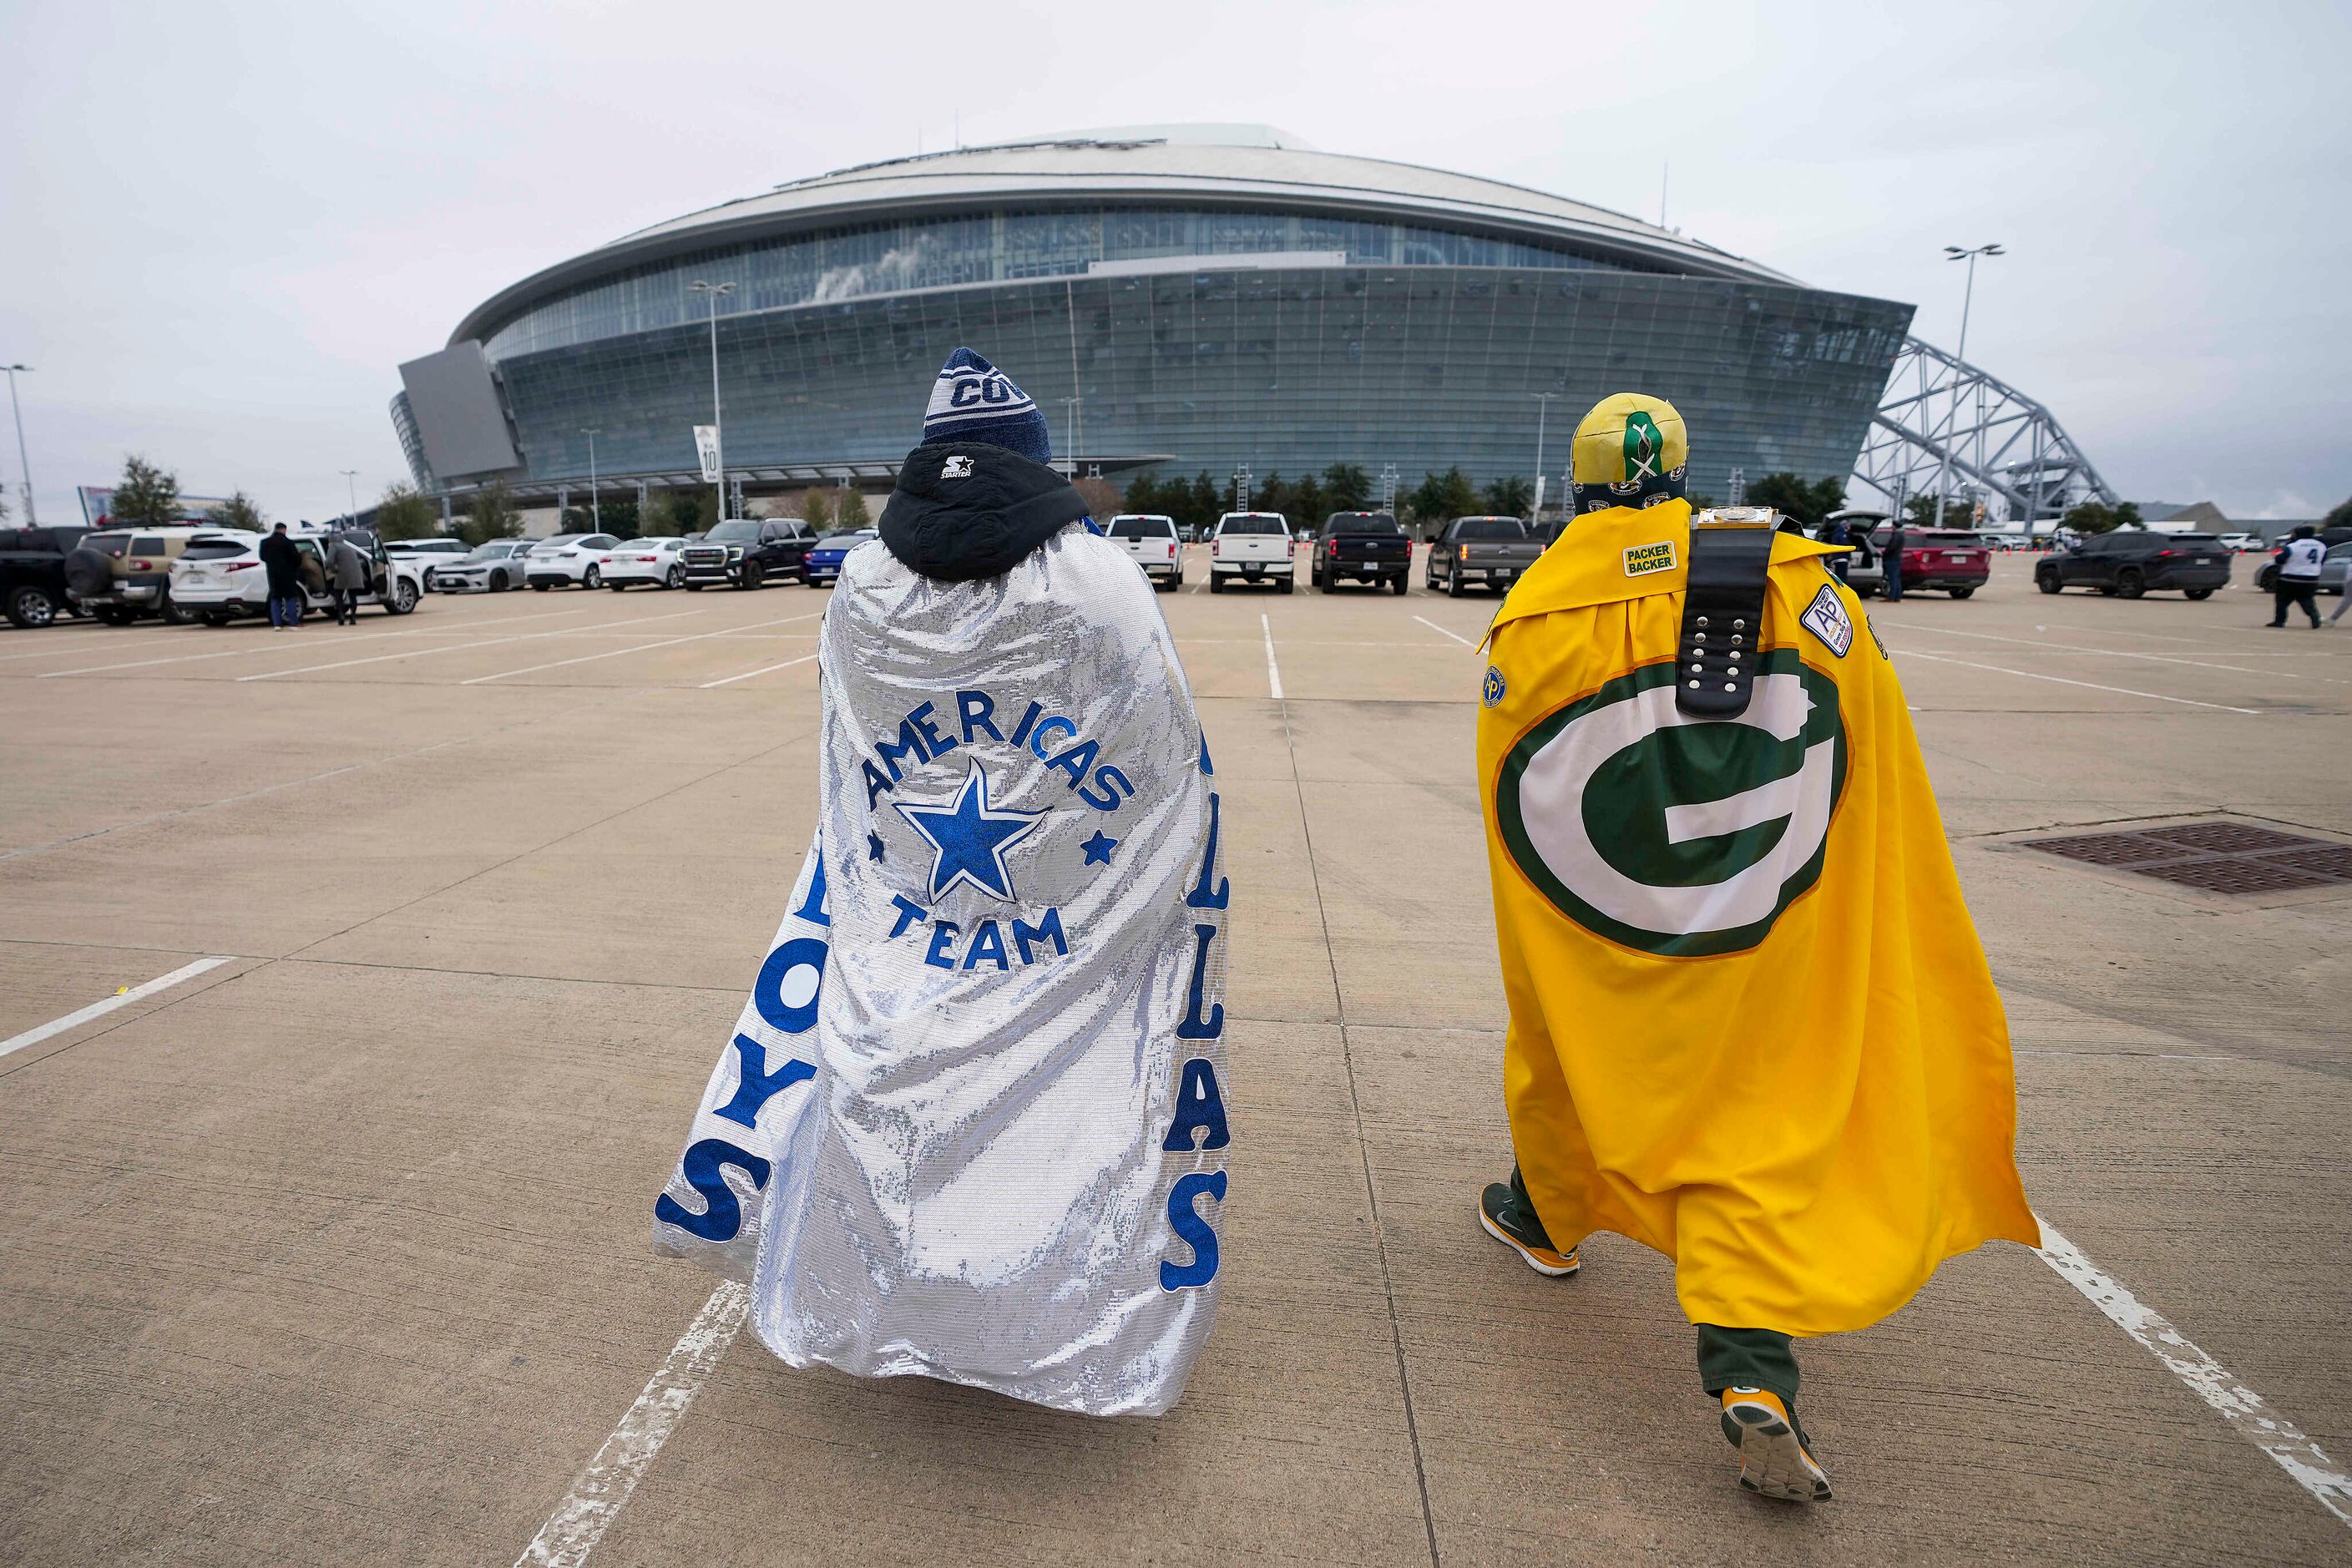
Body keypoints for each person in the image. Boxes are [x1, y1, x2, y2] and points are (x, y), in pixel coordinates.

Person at [1472, 392, 2037, 1503]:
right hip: (1764, 914)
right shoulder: (1799, 578)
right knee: (1751, 1123)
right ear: (1684, 470)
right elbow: (1872, 743)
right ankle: (1748, 1370)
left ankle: (1546, 1213)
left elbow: (1512, 782)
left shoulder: (1536, 609)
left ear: (1580, 482)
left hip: (1613, 915)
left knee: (1567, 1037)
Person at [652, 347, 1231, 1418]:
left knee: (903, 1083)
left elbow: (848, 753)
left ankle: (904, 1291)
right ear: (1033, 459)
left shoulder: (862, 582)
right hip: (1063, 902)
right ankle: (1043, 1316)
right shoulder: (1102, 580)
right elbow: (1160, 755)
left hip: (913, 894)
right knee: (1064, 1100)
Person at [2270, 524, 2324, 628]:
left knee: (2282, 601)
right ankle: (2314, 617)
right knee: (2307, 600)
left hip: (2290, 578)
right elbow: (2322, 560)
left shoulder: (2293, 546)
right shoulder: (2321, 546)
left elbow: (2280, 559)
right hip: (2312, 578)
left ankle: (2280, 621)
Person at [258, 523, 304, 629]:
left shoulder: (265, 542)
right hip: (288, 574)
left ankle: (277, 624)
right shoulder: (288, 543)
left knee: (275, 598)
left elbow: (262, 557)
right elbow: (297, 558)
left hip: (272, 574)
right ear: (284, 529)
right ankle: (293, 622)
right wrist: (294, 567)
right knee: (290, 598)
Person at [329, 533, 369, 625]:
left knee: (338, 594)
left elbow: (329, 561)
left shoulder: (334, 546)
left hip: (342, 573)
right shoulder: (348, 547)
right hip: (356, 573)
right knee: (353, 596)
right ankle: (353, 617)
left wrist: (334, 570)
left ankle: (341, 616)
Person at [1882, 523, 1906, 600]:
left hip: (1892, 559)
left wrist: (1885, 553)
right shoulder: (1901, 534)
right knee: (1896, 578)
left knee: (1892, 578)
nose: (1891, 527)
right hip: (1897, 558)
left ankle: (1891, 596)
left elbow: (1892, 547)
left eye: (1892, 525)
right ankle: (1897, 596)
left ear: (1895, 526)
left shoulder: (1896, 535)